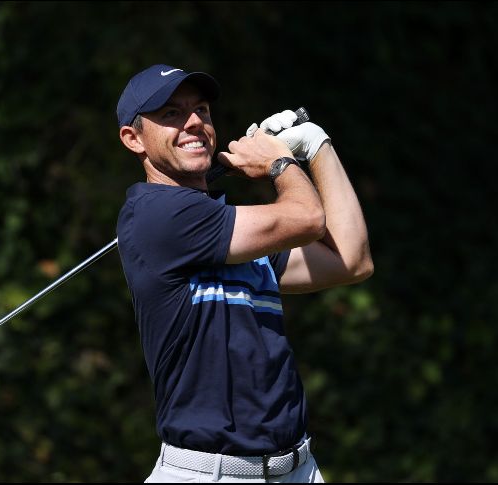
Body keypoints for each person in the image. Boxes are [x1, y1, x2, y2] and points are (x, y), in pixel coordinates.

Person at [115, 64, 373, 483]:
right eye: (171, 114)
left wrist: (318, 145)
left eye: (200, 109)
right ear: (134, 139)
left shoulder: (223, 228)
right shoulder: (156, 216)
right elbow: (307, 218)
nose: (194, 122)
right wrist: (279, 163)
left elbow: (352, 259)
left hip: (298, 469)